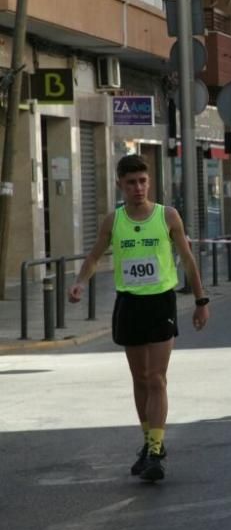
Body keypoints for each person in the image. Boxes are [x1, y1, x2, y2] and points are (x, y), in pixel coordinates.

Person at [68, 155, 210, 482]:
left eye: (143, 181)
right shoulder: (113, 221)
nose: (138, 188)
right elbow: (93, 256)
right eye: (131, 183)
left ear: (150, 182)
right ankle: (148, 443)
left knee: (158, 377)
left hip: (160, 302)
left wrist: (202, 301)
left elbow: (188, 260)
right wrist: (79, 282)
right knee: (141, 379)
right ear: (120, 184)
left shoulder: (167, 216)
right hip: (129, 303)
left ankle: (156, 448)